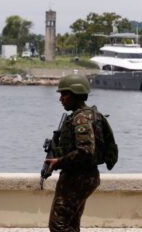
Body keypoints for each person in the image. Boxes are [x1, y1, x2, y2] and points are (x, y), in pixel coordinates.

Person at [44, 74, 113, 232]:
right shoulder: (85, 115)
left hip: (78, 178)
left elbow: (85, 151)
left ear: (75, 94)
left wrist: (58, 162)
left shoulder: (81, 119)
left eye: (64, 94)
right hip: (83, 176)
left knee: (58, 224)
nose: (61, 99)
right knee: (71, 225)